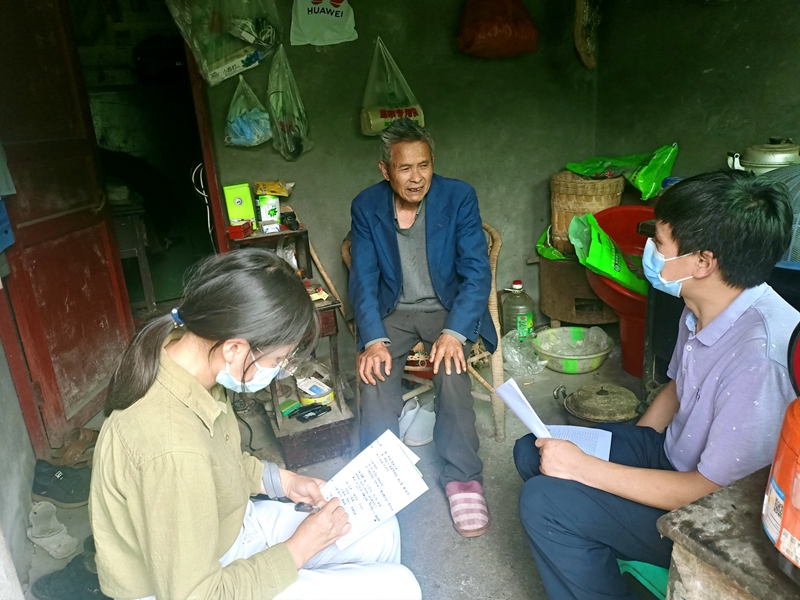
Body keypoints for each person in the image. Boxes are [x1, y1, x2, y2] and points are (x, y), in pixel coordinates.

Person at [513, 170, 800, 599]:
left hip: (707, 513)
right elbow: (679, 386)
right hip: (671, 455)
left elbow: (714, 494)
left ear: (703, 262)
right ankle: (594, 544)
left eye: (659, 243)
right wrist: (636, 443)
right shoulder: (702, 302)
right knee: (533, 449)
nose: (650, 251)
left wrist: (585, 470)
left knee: (544, 502)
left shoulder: (760, 361)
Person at [89, 249, 421, 600]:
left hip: (229, 530)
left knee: (379, 530)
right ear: (234, 349)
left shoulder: (191, 358)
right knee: (401, 587)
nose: (277, 370)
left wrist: (285, 481)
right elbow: (197, 595)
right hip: (198, 585)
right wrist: (299, 548)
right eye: (277, 359)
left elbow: (220, 460)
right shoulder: (172, 449)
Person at [349, 118, 497, 538]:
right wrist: (373, 339)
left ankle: (463, 478)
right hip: (393, 311)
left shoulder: (458, 197)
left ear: (433, 163)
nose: (416, 178)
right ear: (385, 170)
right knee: (374, 375)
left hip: (445, 309)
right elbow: (363, 278)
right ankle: (381, 481)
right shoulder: (366, 205)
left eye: (424, 165)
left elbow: (476, 273)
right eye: (404, 168)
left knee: (451, 371)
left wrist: (455, 332)